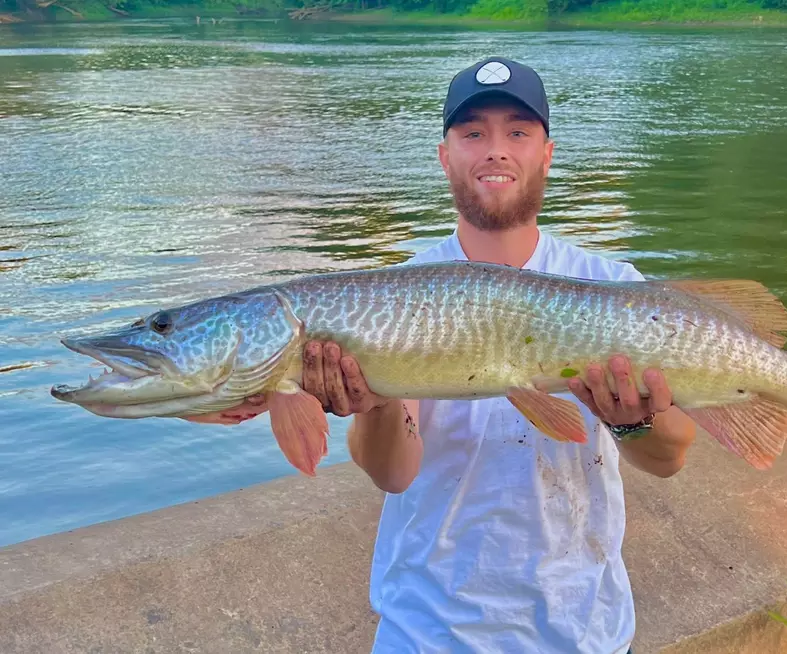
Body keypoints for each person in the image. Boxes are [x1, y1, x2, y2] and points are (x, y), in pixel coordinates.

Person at [193, 57, 697, 654]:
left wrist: (630, 418)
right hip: (428, 634)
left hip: (584, 633)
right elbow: (393, 474)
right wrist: (376, 405)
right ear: (445, 156)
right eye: (473, 133)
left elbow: (668, 458)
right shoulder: (391, 294)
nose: (495, 150)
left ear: (546, 153)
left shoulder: (616, 285)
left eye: (517, 131)